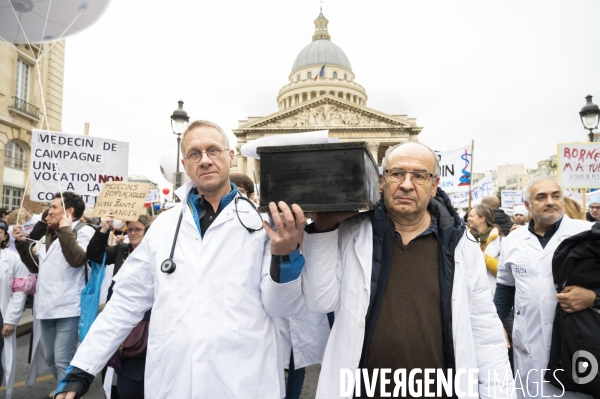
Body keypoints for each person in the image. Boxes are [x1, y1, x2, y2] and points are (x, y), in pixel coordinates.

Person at [56, 120, 305, 399]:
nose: (205, 160)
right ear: (185, 165)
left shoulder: (262, 225)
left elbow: (280, 306)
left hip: (241, 381)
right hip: (173, 382)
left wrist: (285, 256)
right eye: (195, 154)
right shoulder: (164, 227)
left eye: (213, 150)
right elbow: (125, 302)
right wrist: (81, 371)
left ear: (230, 157)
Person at [301, 142, 514, 398]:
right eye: (397, 173)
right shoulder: (349, 233)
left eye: (419, 176)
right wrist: (322, 229)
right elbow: (319, 301)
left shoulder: (461, 245)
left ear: (434, 185)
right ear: (382, 180)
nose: (406, 184)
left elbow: (486, 335)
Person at [495, 175, 599, 398]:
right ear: (528, 206)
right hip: (528, 347)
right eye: (541, 197)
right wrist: (496, 325)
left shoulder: (589, 234)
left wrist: (593, 297)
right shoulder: (512, 241)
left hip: (578, 346)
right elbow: (505, 288)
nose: (550, 201)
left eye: (556, 195)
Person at [12, 192, 95, 392]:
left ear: (70, 211)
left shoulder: (84, 231)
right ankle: (64, 390)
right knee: (50, 357)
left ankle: (65, 393)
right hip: (46, 307)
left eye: (55, 206)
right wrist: (22, 243)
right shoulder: (49, 235)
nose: (50, 210)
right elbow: (36, 267)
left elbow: (77, 259)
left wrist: (66, 230)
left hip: (69, 307)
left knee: (62, 358)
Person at [86, 212, 152, 399]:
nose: (132, 233)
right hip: (116, 313)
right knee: (111, 369)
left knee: (133, 364)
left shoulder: (154, 253)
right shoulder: (122, 250)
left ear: (147, 232)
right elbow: (94, 254)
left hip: (141, 321)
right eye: (130, 229)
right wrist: (103, 228)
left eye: (138, 229)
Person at [0, 220, 31, 399]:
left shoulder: (13, 258)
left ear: (5, 236)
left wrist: (11, 319)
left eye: (0, 231)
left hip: (2, 315)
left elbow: (20, 291)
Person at [467, 203, 502, 297]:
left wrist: (485, 258)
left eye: (471, 216)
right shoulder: (464, 239)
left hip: (492, 295)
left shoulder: (500, 241)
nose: (467, 219)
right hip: (471, 295)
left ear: (482, 219)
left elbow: (504, 271)